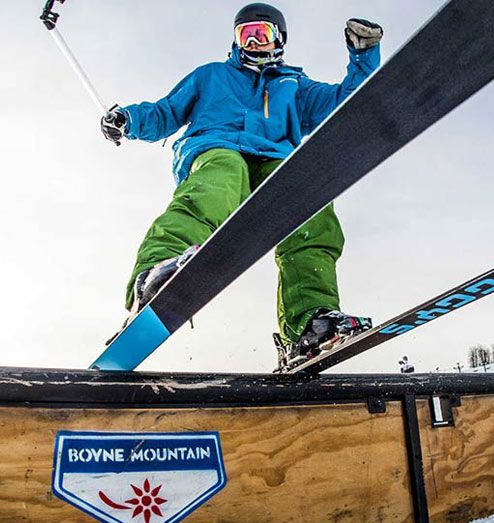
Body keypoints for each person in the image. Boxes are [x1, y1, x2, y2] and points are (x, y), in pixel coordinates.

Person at [100, 3, 383, 369]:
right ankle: (155, 273)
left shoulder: (293, 85)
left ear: (278, 40)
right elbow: (165, 112)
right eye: (244, 35)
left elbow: (344, 102)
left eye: (261, 34)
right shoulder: (211, 76)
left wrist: (363, 56)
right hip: (216, 146)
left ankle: (309, 323)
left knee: (308, 202)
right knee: (220, 180)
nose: (252, 42)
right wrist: (129, 119)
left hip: (274, 157)